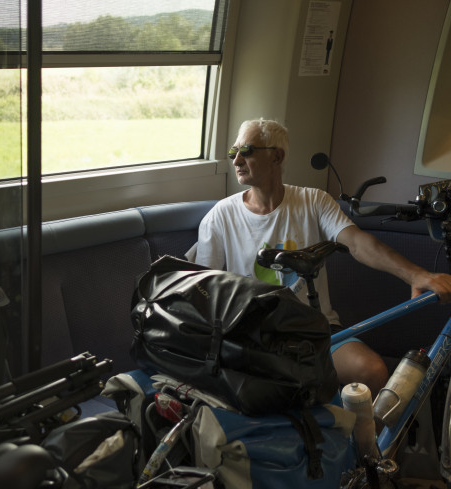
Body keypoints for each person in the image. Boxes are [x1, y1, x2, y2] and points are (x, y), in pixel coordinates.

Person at [190, 118, 451, 396]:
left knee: (372, 372)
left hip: (316, 330)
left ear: (277, 156)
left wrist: (416, 275)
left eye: (248, 150)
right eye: (234, 152)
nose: (237, 160)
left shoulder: (314, 201)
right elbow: (203, 287)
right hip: (253, 336)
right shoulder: (221, 216)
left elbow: (359, 244)